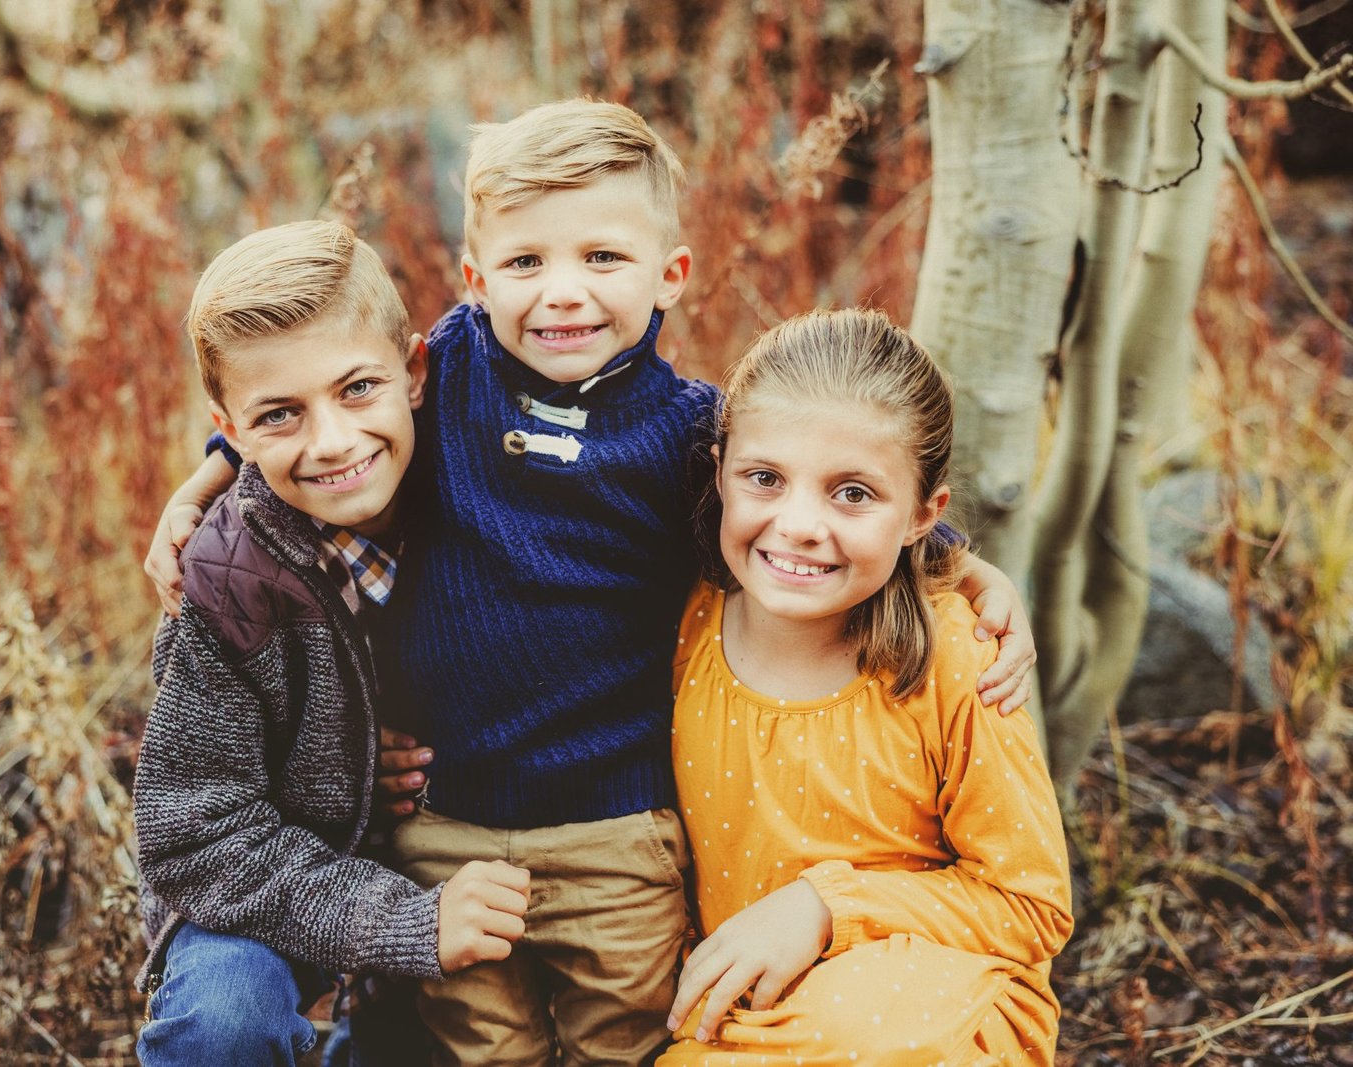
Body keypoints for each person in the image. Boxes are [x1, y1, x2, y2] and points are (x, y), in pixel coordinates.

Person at [145, 101, 1039, 1065]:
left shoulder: (690, 436)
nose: (563, 293)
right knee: (482, 1049)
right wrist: (212, 478)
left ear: (671, 275)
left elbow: (802, 491)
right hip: (449, 824)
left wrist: (957, 560)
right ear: (476, 280)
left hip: (618, 824)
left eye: (602, 258)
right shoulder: (449, 371)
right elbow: (320, 382)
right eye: (527, 263)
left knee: (627, 1042)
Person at [132, 220, 530, 1067]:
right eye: (280, 415)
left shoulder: (479, 462)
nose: (333, 442)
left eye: (357, 389)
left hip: (456, 839)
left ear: (414, 373)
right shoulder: (226, 581)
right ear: (231, 429)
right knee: (224, 1017)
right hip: (265, 876)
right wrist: (403, 919)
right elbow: (195, 838)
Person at [659, 308, 1073, 1066]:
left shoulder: (957, 658)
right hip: (747, 1004)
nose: (799, 524)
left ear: (923, 515)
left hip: (928, 1010)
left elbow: (1031, 905)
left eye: (852, 493)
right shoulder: (688, 620)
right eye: (765, 478)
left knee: (853, 1035)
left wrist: (827, 905)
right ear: (719, 472)